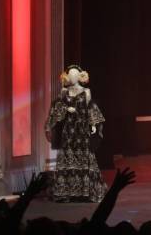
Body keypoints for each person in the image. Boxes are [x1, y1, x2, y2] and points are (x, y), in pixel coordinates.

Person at [45, 65, 107, 202]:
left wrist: (93, 124)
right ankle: (67, 192)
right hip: (68, 131)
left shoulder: (86, 92)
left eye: (75, 75)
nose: (72, 77)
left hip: (82, 130)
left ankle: (86, 192)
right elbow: (58, 107)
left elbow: (90, 107)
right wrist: (66, 109)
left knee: (84, 157)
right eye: (70, 75)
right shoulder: (64, 92)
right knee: (67, 157)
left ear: (80, 77)